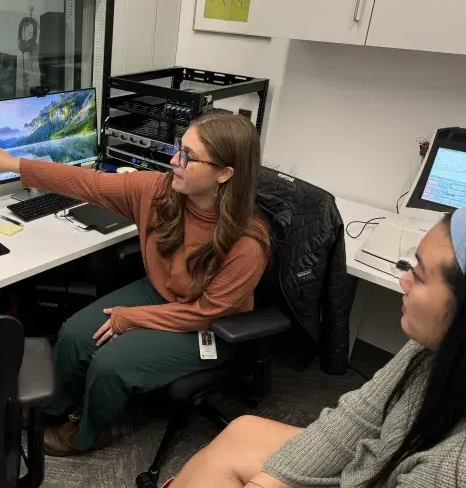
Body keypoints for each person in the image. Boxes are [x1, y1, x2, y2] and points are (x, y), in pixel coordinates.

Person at [0, 112, 270, 456]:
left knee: (111, 365)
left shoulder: (248, 244)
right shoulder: (158, 190)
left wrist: (134, 318)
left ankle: (88, 433)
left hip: (211, 325)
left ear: (224, 174)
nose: (174, 161)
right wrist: (15, 164)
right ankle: (49, 409)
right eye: (178, 149)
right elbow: (88, 182)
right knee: (74, 334)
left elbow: (203, 314)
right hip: (161, 294)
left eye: (188, 156)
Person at [169, 209, 466, 488]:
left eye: (420, 275)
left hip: (379, 475)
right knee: (241, 430)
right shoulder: (430, 346)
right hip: (374, 467)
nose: (404, 279)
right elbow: (357, 419)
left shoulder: (456, 466)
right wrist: (268, 481)